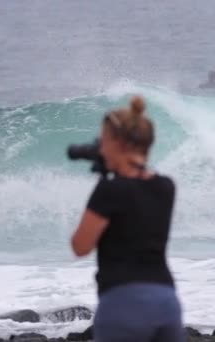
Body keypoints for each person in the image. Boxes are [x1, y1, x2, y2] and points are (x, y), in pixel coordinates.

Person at [70, 96, 182, 341]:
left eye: (104, 140)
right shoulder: (166, 187)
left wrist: (102, 182)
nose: (100, 147)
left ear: (118, 142)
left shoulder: (110, 191)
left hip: (123, 304)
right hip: (166, 301)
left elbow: (80, 246)